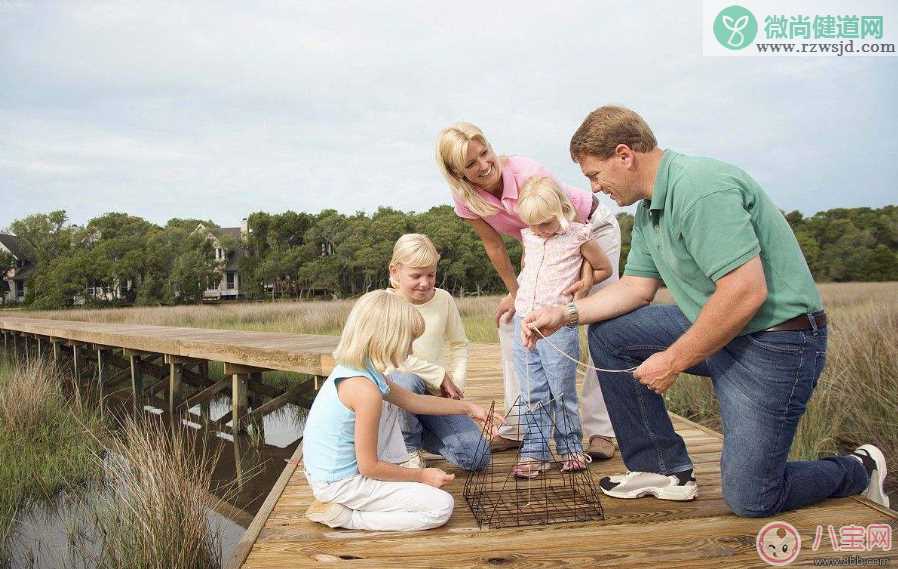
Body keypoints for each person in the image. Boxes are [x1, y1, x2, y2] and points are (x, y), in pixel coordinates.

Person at [522, 105, 890, 515]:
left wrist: (674, 359)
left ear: (624, 155)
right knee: (610, 334)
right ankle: (662, 470)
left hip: (776, 342)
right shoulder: (647, 211)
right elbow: (636, 288)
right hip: (719, 329)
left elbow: (745, 291)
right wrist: (564, 313)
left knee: (752, 498)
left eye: (595, 175)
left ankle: (859, 468)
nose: (595, 187)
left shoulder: (699, 188)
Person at [436, 122, 620, 459]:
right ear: (456, 173)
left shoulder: (528, 172)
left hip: (589, 232)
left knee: (603, 325)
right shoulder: (466, 199)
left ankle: (599, 431)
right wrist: (516, 291)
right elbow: (495, 245)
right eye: (471, 164)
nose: (484, 165)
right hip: (542, 248)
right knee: (510, 321)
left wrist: (585, 281)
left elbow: (572, 231)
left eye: (485, 153)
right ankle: (523, 426)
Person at [302, 290, 498, 531]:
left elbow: (414, 401)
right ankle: (348, 518)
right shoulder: (366, 392)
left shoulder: (358, 369)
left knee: (421, 492)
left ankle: (350, 504)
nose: (412, 349)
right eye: (409, 340)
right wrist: (422, 477)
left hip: (325, 475)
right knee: (441, 506)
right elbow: (369, 467)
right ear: (387, 337)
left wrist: (468, 408)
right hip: (342, 483)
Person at [510, 176, 613, 479]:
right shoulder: (529, 237)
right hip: (524, 321)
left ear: (562, 209)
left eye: (546, 223)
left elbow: (603, 267)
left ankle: (570, 448)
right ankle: (535, 452)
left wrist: (586, 283)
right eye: (534, 225)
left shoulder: (579, 236)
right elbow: (528, 268)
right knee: (533, 390)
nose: (541, 230)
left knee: (561, 390)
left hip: (557, 326)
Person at [384, 233, 489, 471]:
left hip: (434, 397)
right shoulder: (384, 302)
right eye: (416, 275)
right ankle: (408, 451)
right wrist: (439, 374)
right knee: (404, 379)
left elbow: (459, 344)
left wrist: (455, 385)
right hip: (395, 396)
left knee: (477, 457)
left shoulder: (444, 299)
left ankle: (408, 436)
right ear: (394, 271)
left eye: (430, 274)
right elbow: (393, 357)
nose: (425, 282)